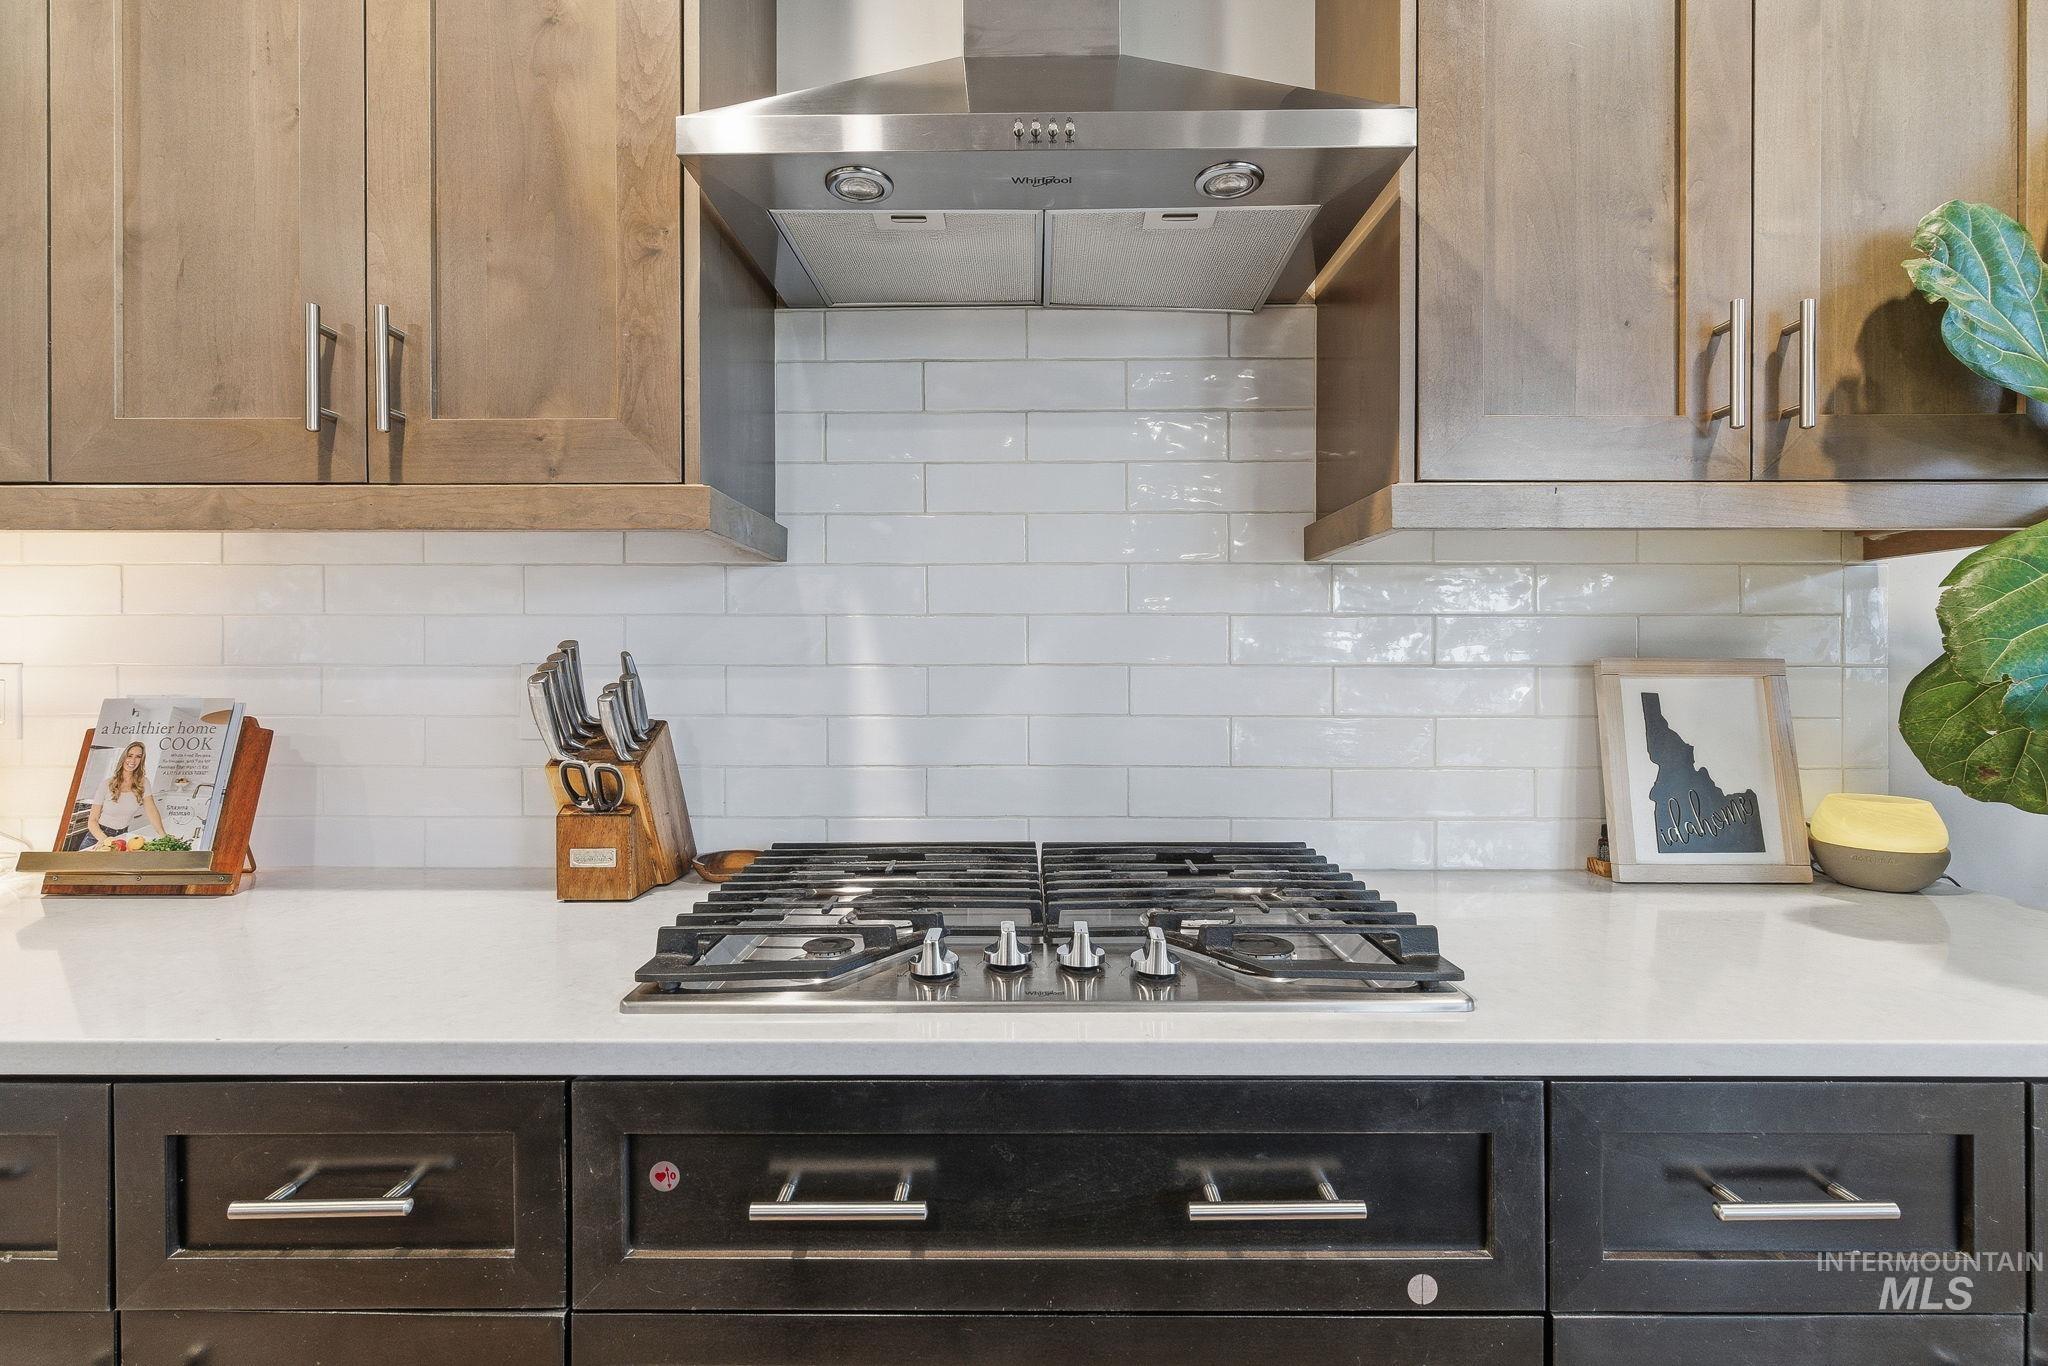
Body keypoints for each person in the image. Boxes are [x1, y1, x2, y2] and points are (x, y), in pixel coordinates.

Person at [87, 742, 168, 849]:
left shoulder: (143, 783)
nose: (133, 761)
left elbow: (152, 811)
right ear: (124, 757)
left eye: (138, 756)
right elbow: (92, 820)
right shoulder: (106, 784)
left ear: (141, 760)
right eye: (130, 755)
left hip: (122, 836)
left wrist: (163, 835)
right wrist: (104, 839)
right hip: (98, 836)